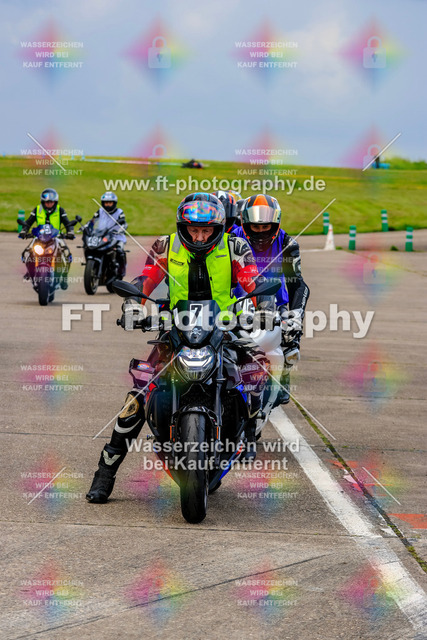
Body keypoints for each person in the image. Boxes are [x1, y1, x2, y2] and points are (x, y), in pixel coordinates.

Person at [86, 192, 274, 503]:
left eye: (206, 230)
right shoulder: (165, 245)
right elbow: (145, 279)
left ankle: (248, 433)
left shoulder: (236, 247)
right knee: (137, 397)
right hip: (176, 330)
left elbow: (253, 281)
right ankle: (105, 473)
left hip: (223, 329)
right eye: (193, 230)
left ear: (218, 228)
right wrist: (133, 304)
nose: (199, 237)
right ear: (183, 227)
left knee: (256, 374)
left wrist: (264, 306)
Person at [232, 194, 310, 404]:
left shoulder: (287, 243)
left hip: (276, 301)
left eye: (265, 226)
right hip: (237, 299)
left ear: (275, 224)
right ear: (244, 223)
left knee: (290, 335)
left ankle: (283, 373)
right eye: (255, 227)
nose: (260, 232)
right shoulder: (231, 239)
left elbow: (298, 284)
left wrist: (295, 316)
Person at [18, 188, 75, 287]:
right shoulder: (37, 209)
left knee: (67, 253)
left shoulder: (60, 210)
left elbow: (67, 223)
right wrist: (24, 231)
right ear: (43, 202)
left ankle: (64, 277)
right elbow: (28, 222)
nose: (49, 204)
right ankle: (30, 271)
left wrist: (70, 232)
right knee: (27, 253)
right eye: (47, 202)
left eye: (51, 202)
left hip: (56, 237)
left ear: (55, 202)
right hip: (39, 237)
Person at [85, 192, 127, 277]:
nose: (108, 205)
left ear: (114, 203)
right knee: (90, 247)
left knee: (120, 251)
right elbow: (92, 221)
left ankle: (121, 270)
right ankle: (94, 265)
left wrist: (120, 229)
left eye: (110, 203)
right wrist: (86, 227)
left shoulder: (119, 212)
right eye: (106, 203)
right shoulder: (100, 211)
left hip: (116, 236)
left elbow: (124, 223)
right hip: (102, 234)